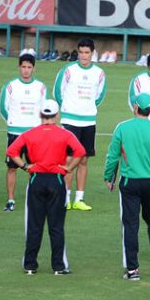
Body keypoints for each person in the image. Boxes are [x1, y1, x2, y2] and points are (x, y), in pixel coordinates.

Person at [7, 100, 85, 275]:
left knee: (34, 225)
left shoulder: (30, 134)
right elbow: (80, 152)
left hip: (36, 180)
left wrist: (26, 166)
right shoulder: (65, 134)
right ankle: (58, 266)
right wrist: (69, 168)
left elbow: (12, 151)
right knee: (56, 226)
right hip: (57, 180)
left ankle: (30, 265)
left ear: (40, 114)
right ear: (56, 116)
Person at [103, 93, 150, 280]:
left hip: (129, 182)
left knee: (130, 225)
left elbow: (112, 156)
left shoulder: (122, 128)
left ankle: (133, 269)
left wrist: (109, 176)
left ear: (135, 107)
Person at [54, 38, 107, 211]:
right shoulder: (68, 70)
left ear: (92, 53)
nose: (84, 56)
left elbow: (99, 96)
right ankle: (66, 198)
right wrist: (69, 108)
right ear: (78, 52)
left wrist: (87, 108)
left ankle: (80, 199)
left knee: (83, 160)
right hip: (70, 121)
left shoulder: (99, 73)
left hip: (88, 121)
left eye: (87, 53)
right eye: (81, 52)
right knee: (69, 160)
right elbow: (58, 92)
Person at [0, 53, 47, 212]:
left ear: (34, 68)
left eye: (29, 67)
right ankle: (10, 200)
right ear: (19, 67)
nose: (26, 70)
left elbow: (43, 110)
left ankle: (33, 198)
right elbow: (3, 109)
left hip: (34, 134)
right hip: (15, 133)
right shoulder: (11, 86)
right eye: (23, 67)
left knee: (34, 168)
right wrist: (14, 122)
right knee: (12, 168)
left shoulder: (40, 87)